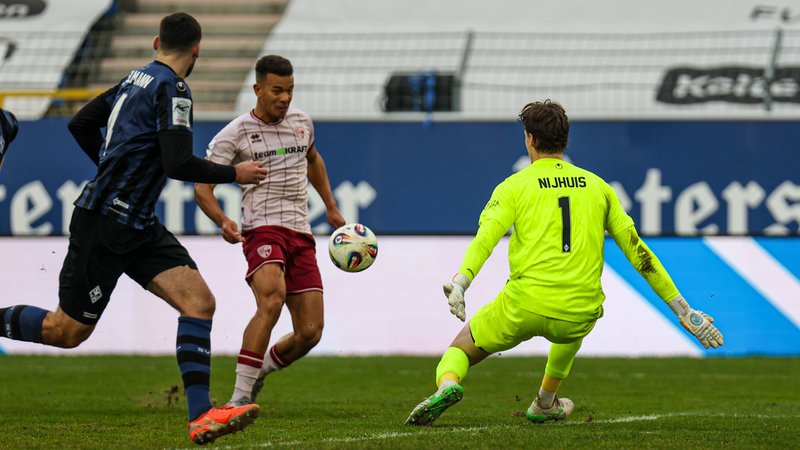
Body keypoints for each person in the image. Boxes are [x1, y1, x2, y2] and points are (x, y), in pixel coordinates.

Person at [0, 12, 268, 445]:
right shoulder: (174, 88)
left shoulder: (133, 78)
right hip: (106, 224)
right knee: (65, 331)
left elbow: (80, 123)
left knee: (199, 302)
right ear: (197, 50)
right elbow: (177, 162)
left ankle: (201, 415)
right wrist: (234, 174)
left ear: (155, 41)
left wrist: (111, 170)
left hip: (136, 223)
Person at [405, 100, 724, 426]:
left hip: (523, 306)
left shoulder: (514, 186)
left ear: (529, 138)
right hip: (577, 312)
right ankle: (545, 401)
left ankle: (448, 385)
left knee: (461, 348)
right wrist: (684, 310)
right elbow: (637, 252)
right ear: (565, 139)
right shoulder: (599, 187)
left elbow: (486, 238)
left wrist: (462, 282)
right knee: (578, 308)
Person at [195, 54, 345, 407]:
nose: (285, 98)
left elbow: (313, 159)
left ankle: (261, 370)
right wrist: (223, 221)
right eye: (277, 90)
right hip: (262, 229)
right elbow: (203, 188)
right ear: (258, 89)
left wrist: (332, 206)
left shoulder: (302, 124)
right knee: (272, 298)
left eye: (290, 90)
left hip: (300, 233)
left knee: (310, 332)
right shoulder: (234, 134)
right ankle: (238, 397)